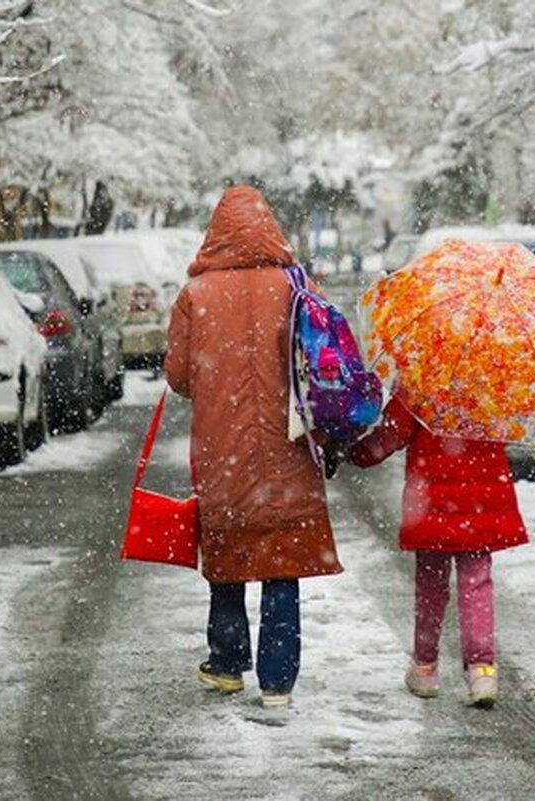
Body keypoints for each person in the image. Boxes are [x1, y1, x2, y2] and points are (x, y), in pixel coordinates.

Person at [165, 185, 342, 708]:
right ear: (271, 227)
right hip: (289, 444)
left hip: (223, 449)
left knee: (229, 547)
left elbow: (178, 375)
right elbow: (322, 361)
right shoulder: (296, 286)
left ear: (216, 232)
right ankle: (279, 680)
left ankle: (226, 662)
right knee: (282, 556)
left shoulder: (195, 295)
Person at [346, 391, 528, 708]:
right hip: (482, 497)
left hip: (431, 498)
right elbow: (511, 431)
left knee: (430, 586)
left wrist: (356, 454)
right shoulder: (496, 376)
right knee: (477, 584)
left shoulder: (421, 377)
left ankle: (425, 667)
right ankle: (482, 670)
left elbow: (392, 434)